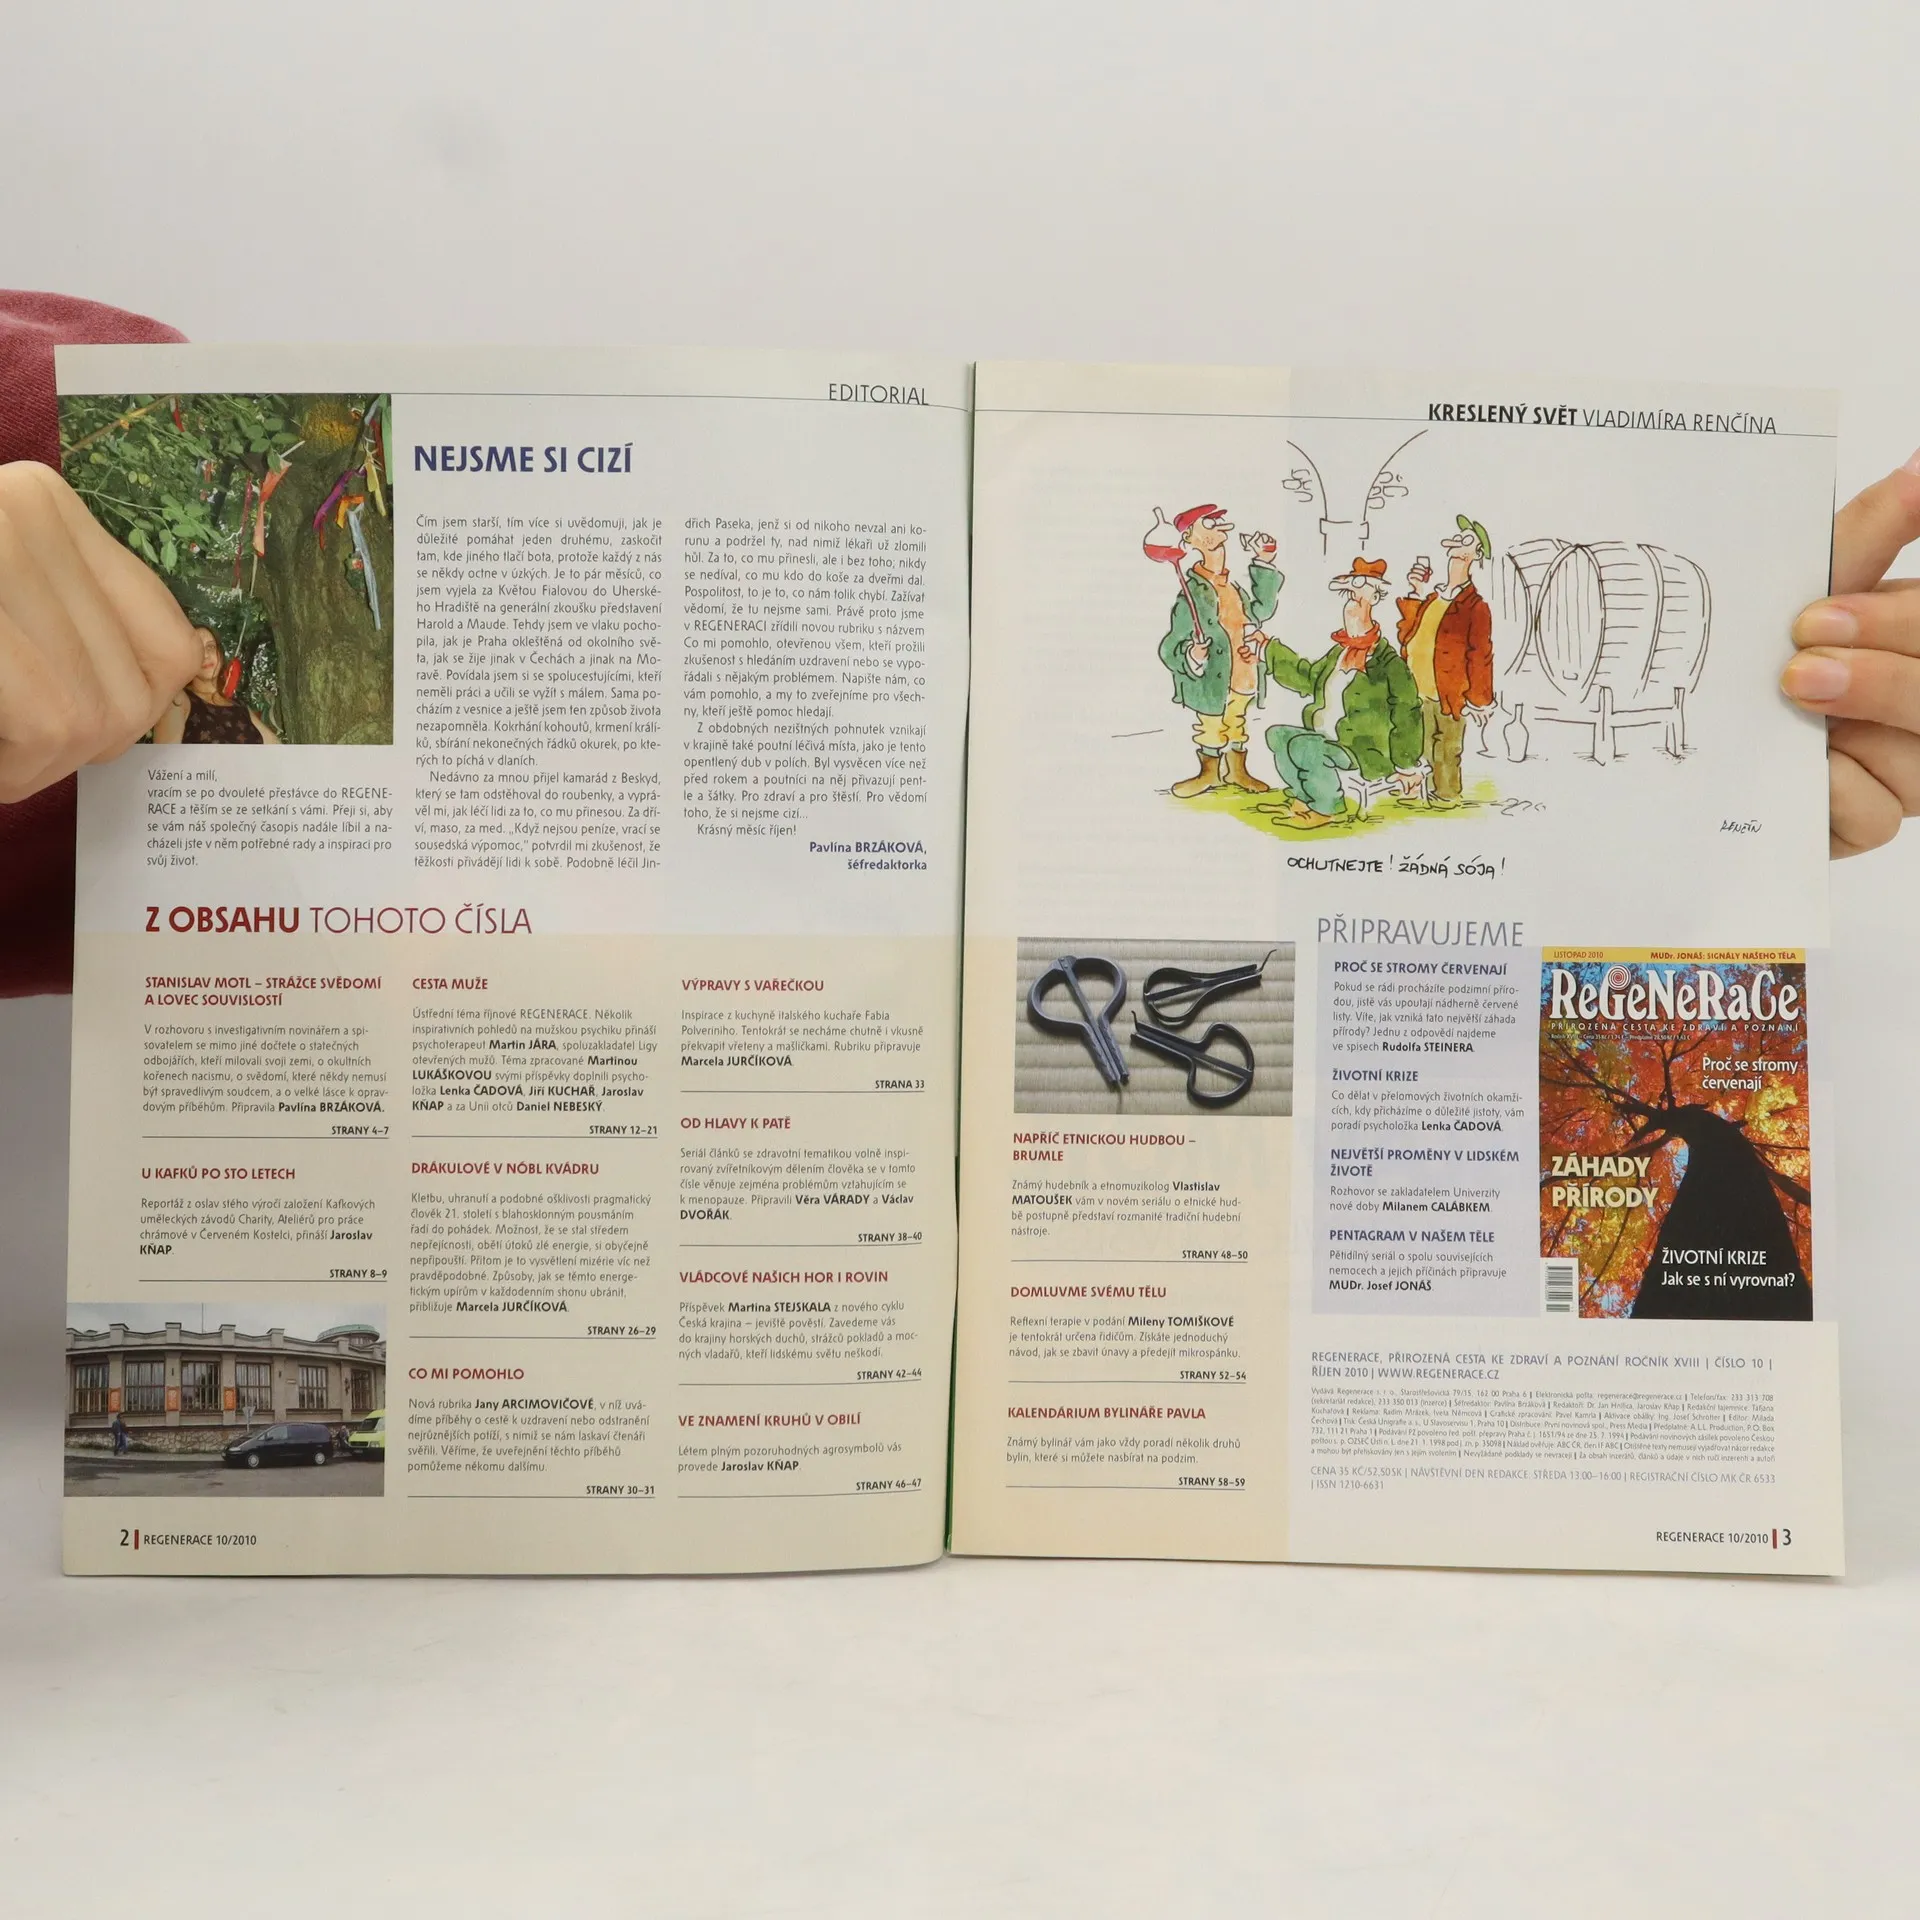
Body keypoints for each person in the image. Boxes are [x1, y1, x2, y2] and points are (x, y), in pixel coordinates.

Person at [1263, 557, 1425, 826]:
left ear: (1375, 599)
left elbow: (1407, 712)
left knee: (1304, 746)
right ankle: (1304, 799)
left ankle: (1327, 808)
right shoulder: (1340, 652)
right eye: (1350, 595)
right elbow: (1308, 677)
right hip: (1325, 736)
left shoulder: (1389, 663)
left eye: (1360, 596)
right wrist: (1268, 649)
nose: (1352, 603)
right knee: (1278, 736)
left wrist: (1406, 764)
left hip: (1360, 747)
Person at [1155, 504, 1283, 796]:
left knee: (1237, 721)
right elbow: (1170, 647)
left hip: (1244, 670)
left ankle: (1236, 771)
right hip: (1213, 677)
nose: (1218, 525)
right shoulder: (1191, 594)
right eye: (1208, 523)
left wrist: (1263, 561)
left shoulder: (1232, 586)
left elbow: (1260, 611)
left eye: (1217, 520)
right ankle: (1209, 773)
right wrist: (1191, 654)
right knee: (1212, 725)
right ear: (1190, 539)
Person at [1395, 515, 1495, 808]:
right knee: (1422, 743)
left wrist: (1480, 700)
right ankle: (1423, 791)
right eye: (1460, 536)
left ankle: (1446, 795)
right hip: (1416, 687)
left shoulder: (1475, 606)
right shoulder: (1434, 598)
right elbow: (1408, 636)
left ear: (1475, 554)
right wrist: (1416, 591)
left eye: (1468, 539)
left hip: (1449, 691)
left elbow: (1480, 654)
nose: (1459, 540)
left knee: (1447, 747)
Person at [149, 628, 279, 744]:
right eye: (197, 650)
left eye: (211, 647)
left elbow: (276, 750)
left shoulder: (240, 706)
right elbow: (165, 760)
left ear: (220, 653)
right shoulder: (179, 700)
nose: (205, 655)